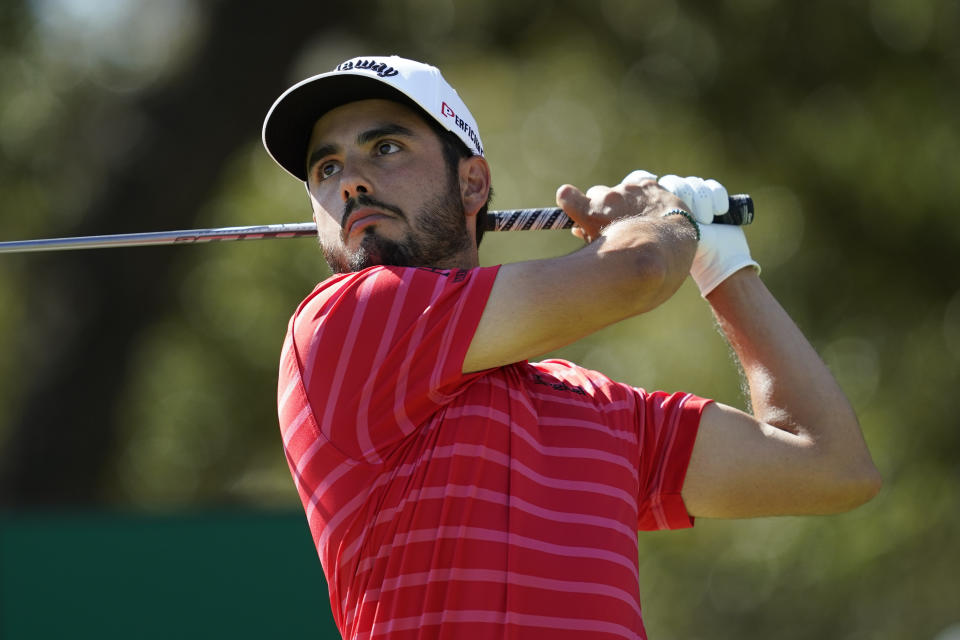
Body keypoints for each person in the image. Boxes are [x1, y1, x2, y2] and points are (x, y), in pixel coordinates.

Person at [262, 55, 881, 640]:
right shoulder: (342, 324)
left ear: (472, 181)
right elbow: (637, 270)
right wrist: (662, 218)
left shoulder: (597, 406)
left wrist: (722, 264)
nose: (351, 183)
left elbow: (830, 467)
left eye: (385, 147)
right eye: (327, 168)